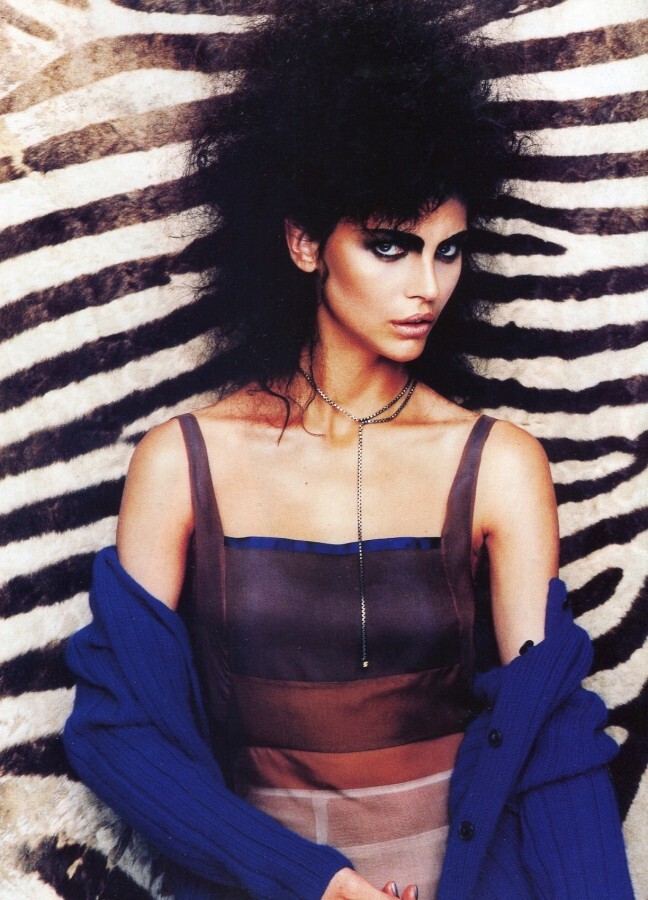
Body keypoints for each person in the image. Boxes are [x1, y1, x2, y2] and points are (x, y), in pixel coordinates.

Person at [63, 1, 634, 897]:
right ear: (304, 243)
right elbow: (119, 734)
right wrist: (319, 883)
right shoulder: (182, 463)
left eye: (449, 251)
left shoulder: (498, 464)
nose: (427, 287)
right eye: (390, 246)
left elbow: (549, 734)